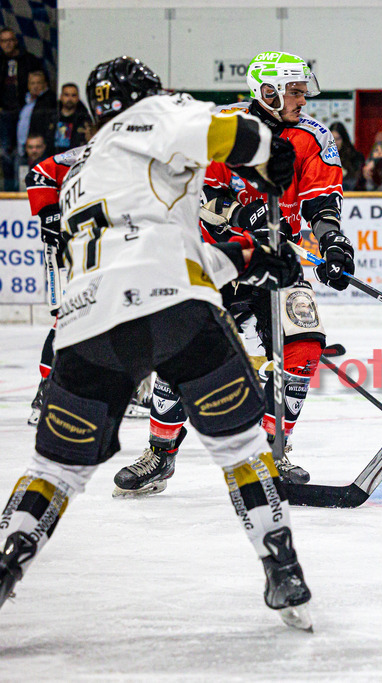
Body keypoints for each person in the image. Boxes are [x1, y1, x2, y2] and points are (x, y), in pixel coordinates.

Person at [0, 56, 314, 630]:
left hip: (84, 326)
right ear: (146, 94)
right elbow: (231, 134)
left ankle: (7, 559)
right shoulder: (152, 116)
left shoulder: (84, 169)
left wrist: (249, 259)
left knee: (56, 471)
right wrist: (274, 153)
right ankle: (283, 566)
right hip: (173, 309)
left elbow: (151, 246)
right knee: (241, 447)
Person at [114, 50, 354, 495]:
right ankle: (160, 453)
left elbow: (322, 201)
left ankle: (271, 453)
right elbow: (200, 194)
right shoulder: (225, 129)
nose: (304, 99)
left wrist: (334, 241)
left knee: (303, 344)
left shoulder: (313, 136)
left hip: (278, 261)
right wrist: (247, 218)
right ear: (268, 91)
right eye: (295, 91)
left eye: (303, 90)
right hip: (220, 259)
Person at [0, 27, 43, 191]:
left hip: (24, 109)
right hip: (4, 112)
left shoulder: (28, 60)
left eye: (10, 40)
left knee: (24, 151)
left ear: (16, 41)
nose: (7, 44)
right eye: (4, 41)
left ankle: (25, 188)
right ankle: (9, 190)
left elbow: (38, 81)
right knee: (5, 152)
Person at [31, 82, 90, 157]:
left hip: (75, 159)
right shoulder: (50, 117)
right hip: (52, 158)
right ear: (61, 97)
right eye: (66, 95)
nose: (70, 99)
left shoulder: (83, 118)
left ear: (78, 98)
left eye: (73, 95)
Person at [16, 70, 54, 180]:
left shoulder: (48, 100)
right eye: (32, 83)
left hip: (38, 149)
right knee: (21, 180)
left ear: (45, 84)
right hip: (22, 149)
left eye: (39, 83)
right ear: (28, 85)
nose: (35, 86)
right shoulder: (24, 101)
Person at [329, 121, 364, 191]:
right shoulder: (322, 157)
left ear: (343, 139)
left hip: (350, 195)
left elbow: (358, 181)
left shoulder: (355, 157)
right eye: (332, 139)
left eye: (337, 139)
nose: (334, 143)